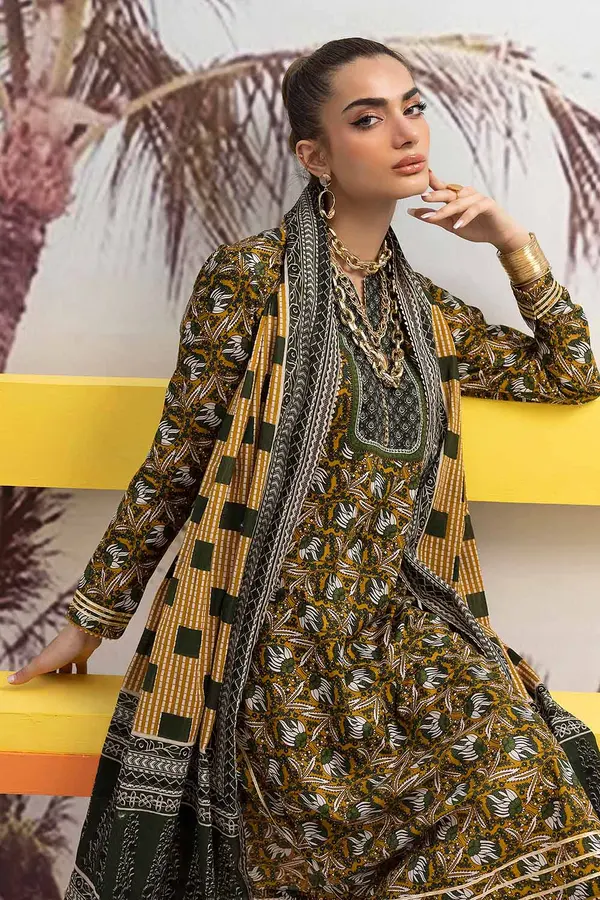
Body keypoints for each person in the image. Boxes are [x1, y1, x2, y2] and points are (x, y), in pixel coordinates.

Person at [8, 36, 600, 900]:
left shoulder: (425, 314)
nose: (406, 132)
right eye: (368, 118)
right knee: (337, 829)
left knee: (532, 779)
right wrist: (93, 619)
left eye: (413, 108)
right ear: (314, 156)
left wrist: (510, 239)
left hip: (403, 636)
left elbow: (568, 371)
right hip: (274, 642)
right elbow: (179, 457)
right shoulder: (248, 282)